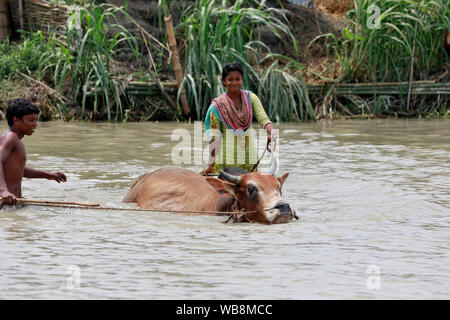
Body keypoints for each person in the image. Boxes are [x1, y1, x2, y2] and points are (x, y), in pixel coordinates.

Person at [203, 62, 275, 175]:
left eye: (238, 79)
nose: (234, 83)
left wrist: (271, 131)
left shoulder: (251, 98)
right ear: (223, 81)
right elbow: (214, 138)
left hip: (250, 162)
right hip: (226, 164)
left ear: (242, 80)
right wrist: (210, 164)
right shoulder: (216, 107)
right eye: (230, 79)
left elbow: (264, 119)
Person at [0, 98, 67, 206]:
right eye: (31, 120)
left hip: (13, 203)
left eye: (36, 120)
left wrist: (47, 175)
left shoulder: (15, 140)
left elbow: (18, 169)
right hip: (4, 204)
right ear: (16, 120)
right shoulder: (10, 137)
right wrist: (3, 191)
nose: (35, 124)